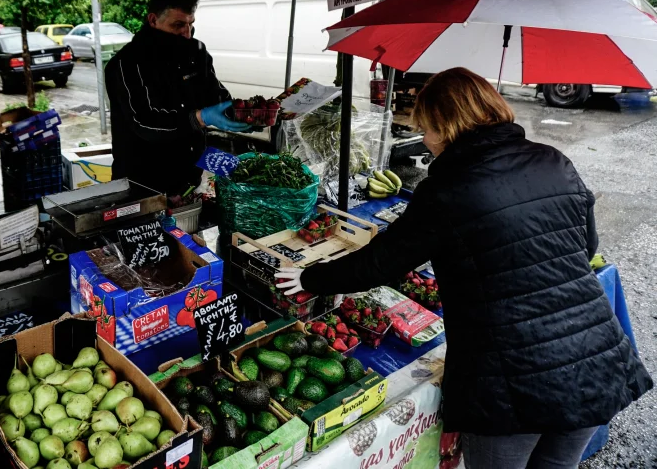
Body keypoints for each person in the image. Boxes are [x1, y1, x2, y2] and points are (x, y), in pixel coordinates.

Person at [275, 68, 652, 469]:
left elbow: (377, 264)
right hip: (594, 361)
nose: (423, 138)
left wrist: (308, 277)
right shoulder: (553, 160)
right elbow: (585, 246)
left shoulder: (447, 190)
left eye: (425, 128)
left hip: (514, 385)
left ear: (447, 123)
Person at [105, 0, 248, 195]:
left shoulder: (196, 53)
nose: (187, 33)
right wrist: (199, 117)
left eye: (190, 24)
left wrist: (243, 113)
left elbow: (216, 95)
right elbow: (144, 122)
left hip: (190, 178)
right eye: (178, 25)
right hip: (142, 186)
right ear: (153, 20)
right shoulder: (127, 64)